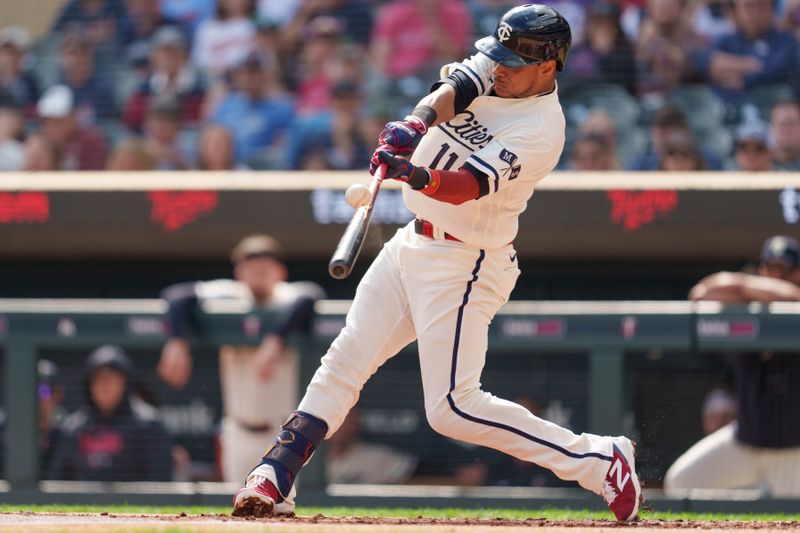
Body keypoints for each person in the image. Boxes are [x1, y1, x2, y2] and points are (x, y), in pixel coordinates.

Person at [232, 5, 641, 522]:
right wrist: (415, 122)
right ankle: (277, 471)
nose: (501, 69)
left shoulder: (543, 129)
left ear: (548, 66)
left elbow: (467, 186)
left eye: (515, 63)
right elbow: (454, 89)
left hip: (467, 259)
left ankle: (599, 459)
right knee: (346, 358)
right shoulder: (498, 71)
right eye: (500, 56)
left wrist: (413, 174)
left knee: (452, 407)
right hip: (413, 242)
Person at [157, 234, 324, 483]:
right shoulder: (231, 296)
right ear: (240, 272)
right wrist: (177, 341)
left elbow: (311, 295)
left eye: (264, 270)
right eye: (251, 270)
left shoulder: (288, 297)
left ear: (280, 272)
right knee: (237, 507)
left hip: (283, 433)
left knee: (285, 508)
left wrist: (274, 339)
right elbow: (177, 295)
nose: (257, 277)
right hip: (238, 431)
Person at [665, 236, 800, 497]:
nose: (775, 276)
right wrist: (751, 287)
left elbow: (793, 298)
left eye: (784, 269)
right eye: (770, 268)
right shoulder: (749, 308)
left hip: (792, 450)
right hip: (745, 441)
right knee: (680, 481)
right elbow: (701, 294)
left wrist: (744, 284)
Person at [46, 345, 172, 481]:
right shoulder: (73, 429)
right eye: (99, 380)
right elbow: (56, 483)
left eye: (112, 379)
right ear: (89, 385)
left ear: (125, 383)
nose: (105, 386)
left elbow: (159, 483)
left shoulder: (149, 425)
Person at [703, 0, 799, 103]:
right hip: (730, 112)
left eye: (761, 6)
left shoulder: (787, 42)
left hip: (773, 108)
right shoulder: (724, 42)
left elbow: (784, 68)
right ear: (736, 10)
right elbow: (702, 62)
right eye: (748, 6)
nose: (755, 12)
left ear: (772, 8)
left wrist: (745, 76)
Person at [211, 52, 294, 166]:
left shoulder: (281, 108)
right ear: (237, 76)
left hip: (263, 169)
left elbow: (286, 146)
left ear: (264, 75)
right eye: (244, 73)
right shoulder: (226, 106)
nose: (249, 78)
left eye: (254, 73)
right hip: (229, 166)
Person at [326, 406, 417, 484]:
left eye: (348, 420)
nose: (343, 426)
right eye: (338, 420)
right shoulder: (314, 458)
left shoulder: (378, 457)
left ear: (357, 423)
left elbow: (418, 483)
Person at [36, 84, 108, 170]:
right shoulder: (39, 144)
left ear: (72, 117)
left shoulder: (90, 142)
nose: (51, 128)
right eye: (46, 122)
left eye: (57, 122)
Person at [769, 99, 800, 171]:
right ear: (772, 128)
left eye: (791, 123)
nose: (786, 130)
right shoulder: (757, 164)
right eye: (781, 124)